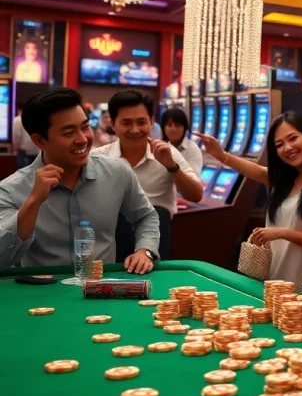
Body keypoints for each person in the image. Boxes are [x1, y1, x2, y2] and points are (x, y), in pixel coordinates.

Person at [0, 88, 159, 272]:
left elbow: (146, 216)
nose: (83, 139)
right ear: (39, 141)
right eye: (68, 133)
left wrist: (145, 250)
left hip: (101, 291)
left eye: (85, 127)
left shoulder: (117, 172)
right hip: (41, 295)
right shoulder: (11, 190)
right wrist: (33, 203)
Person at [197, 112, 302, 286]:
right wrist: (219, 154)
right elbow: (255, 170)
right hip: (272, 280)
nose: (288, 147)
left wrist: (281, 233)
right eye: (279, 144)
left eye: (293, 138)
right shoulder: (283, 181)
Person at [93, 91, 204, 261]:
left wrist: (171, 166)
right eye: (126, 123)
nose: (135, 129)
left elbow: (195, 195)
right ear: (113, 124)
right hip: (108, 241)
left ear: (151, 122)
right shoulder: (98, 158)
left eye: (141, 122)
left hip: (157, 238)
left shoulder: (167, 152)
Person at [161, 107, 203, 175]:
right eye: (169, 125)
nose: (173, 129)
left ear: (185, 128)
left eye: (177, 125)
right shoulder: (157, 146)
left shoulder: (192, 149)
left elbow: (193, 180)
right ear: (163, 127)